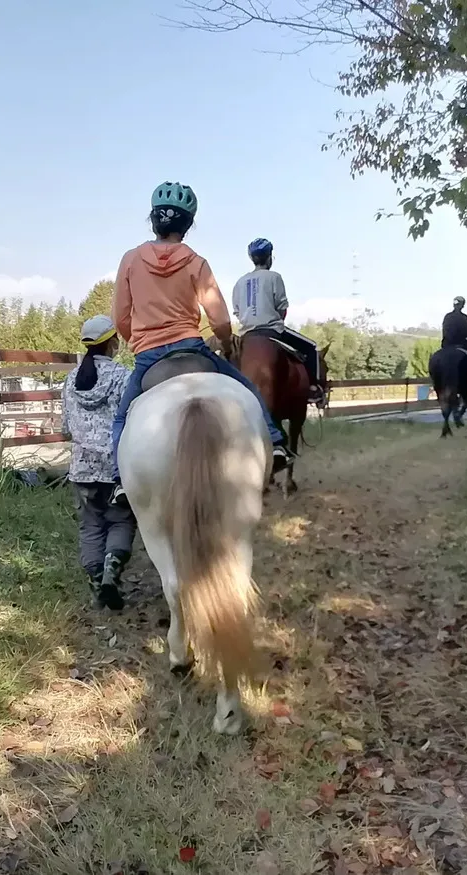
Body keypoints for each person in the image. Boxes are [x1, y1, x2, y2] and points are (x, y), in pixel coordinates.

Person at [110, 181, 292, 500]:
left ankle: (119, 479)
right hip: (193, 348)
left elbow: (121, 318)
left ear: (153, 220)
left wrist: (137, 341)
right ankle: (276, 444)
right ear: (188, 225)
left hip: (149, 358)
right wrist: (224, 339)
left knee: (122, 418)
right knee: (248, 388)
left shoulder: (130, 260)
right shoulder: (196, 262)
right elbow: (220, 319)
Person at [62, 315, 137, 611]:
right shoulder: (124, 376)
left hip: (81, 469)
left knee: (90, 527)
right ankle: (111, 574)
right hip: (116, 469)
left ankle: (97, 586)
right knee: (121, 520)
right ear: (113, 343)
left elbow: (66, 427)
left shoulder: (70, 380)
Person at [232, 238, 324, 404]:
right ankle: (313, 388)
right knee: (311, 348)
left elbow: (237, 311)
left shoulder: (240, 282)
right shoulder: (274, 277)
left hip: (247, 334)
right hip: (271, 331)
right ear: (269, 257)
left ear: (252, 259)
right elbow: (282, 307)